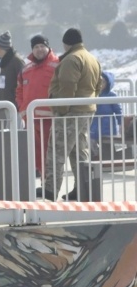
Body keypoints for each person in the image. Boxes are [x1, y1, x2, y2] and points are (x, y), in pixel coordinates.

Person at [37, 28, 102, 202]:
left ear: (67, 43)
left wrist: (62, 109)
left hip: (70, 112)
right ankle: (83, 188)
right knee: (79, 151)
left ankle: (50, 189)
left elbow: (67, 87)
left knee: (57, 151)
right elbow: (99, 85)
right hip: (87, 110)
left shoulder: (71, 59)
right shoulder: (92, 58)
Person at [15, 34, 60, 177]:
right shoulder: (26, 69)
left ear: (48, 47)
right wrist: (22, 108)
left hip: (49, 120)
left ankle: (50, 182)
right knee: (35, 153)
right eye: (36, 47)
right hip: (30, 119)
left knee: (50, 152)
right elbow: (19, 90)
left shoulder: (58, 65)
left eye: (42, 46)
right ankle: (43, 179)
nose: (39, 49)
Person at [0, 31, 25, 128]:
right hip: (7, 104)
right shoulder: (4, 62)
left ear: (1, 47)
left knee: (17, 130)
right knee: (10, 130)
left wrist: (19, 102)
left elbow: (23, 82)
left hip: (15, 105)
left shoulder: (16, 61)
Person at [90, 71, 123, 161]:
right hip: (94, 124)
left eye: (103, 82)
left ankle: (108, 159)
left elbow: (118, 110)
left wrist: (121, 123)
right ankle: (96, 156)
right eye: (98, 81)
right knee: (92, 141)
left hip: (108, 125)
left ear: (108, 83)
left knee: (108, 144)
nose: (100, 84)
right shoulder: (93, 94)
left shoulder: (112, 95)